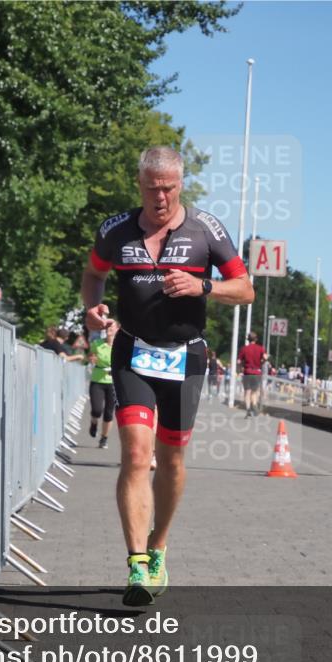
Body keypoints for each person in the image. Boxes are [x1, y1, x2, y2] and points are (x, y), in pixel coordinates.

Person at [81, 145, 254, 606]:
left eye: (169, 188)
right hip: (132, 350)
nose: (160, 198)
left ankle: (158, 544)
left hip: (186, 357)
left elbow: (246, 288)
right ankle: (137, 564)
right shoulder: (115, 230)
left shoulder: (206, 230)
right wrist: (92, 309)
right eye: (152, 189)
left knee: (171, 460)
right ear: (139, 186)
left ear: (181, 185)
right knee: (137, 454)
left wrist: (204, 286)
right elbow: (93, 275)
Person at [88, 321, 118, 449]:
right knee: (97, 410)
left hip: (113, 382)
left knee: (108, 413)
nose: (109, 329)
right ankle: (94, 422)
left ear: (117, 329)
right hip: (98, 380)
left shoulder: (120, 346)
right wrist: (92, 358)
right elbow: (91, 356)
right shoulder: (97, 344)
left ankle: (104, 438)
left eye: (111, 327)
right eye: (107, 327)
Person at [237, 331, 267, 417]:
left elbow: (238, 361)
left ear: (248, 339)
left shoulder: (244, 349)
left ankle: (248, 409)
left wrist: (240, 368)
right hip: (257, 372)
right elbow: (265, 358)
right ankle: (254, 404)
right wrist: (262, 362)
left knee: (247, 391)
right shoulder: (261, 348)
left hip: (247, 372)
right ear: (256, 339)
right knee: (255, 391)